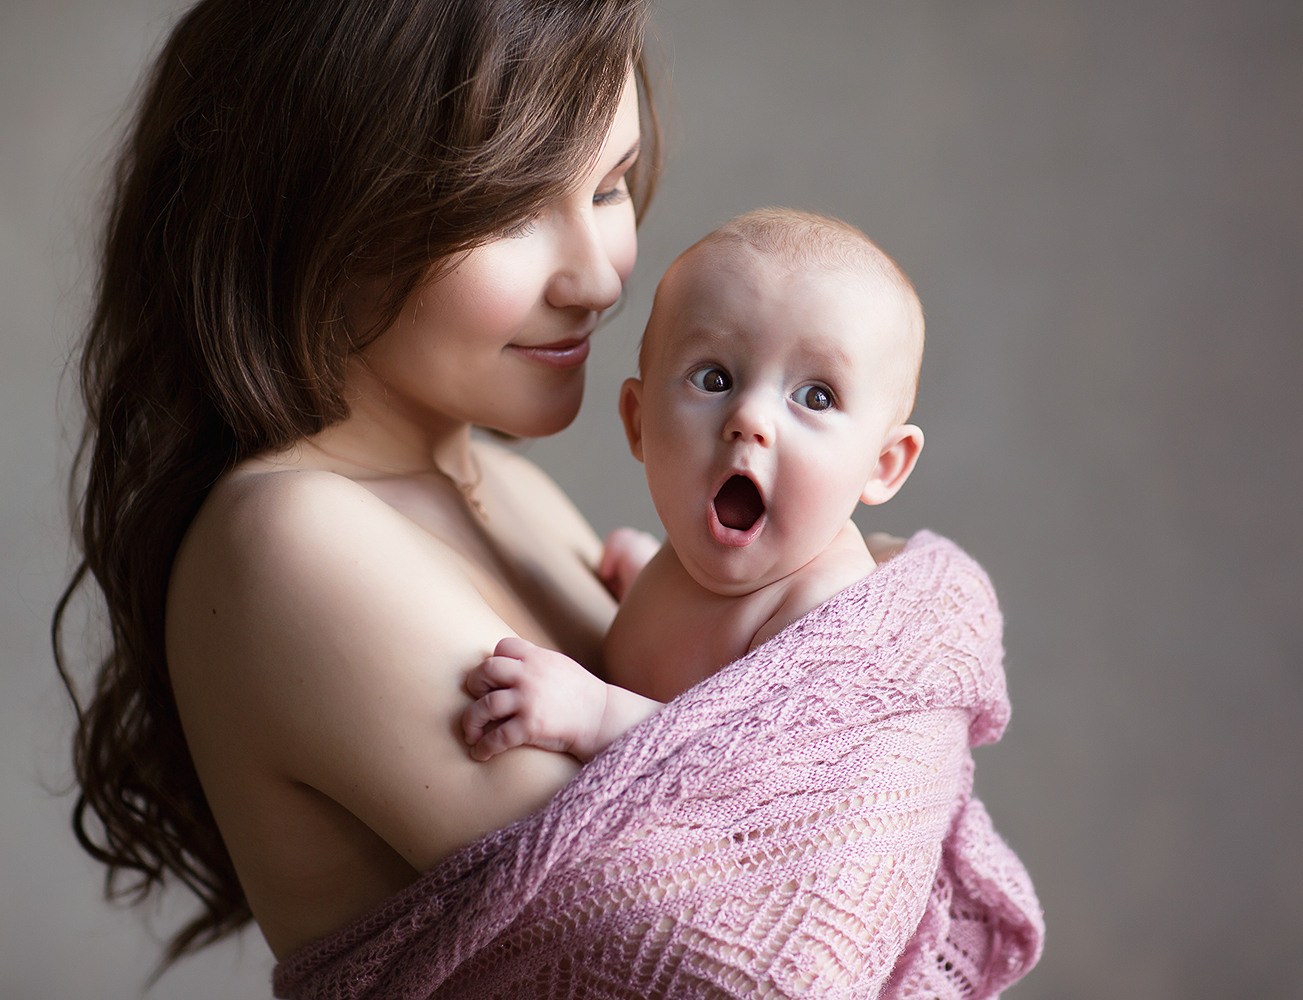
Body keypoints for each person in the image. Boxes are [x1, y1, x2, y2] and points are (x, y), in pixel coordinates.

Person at [53, 0, 665, 966]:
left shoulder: (512, 493)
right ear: (316, 212)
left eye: (610, 185)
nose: (597, 280)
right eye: (510, 207)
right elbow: (716, 933)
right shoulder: (291, 540)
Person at [461, 208, 926, 763]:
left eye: (816, 397)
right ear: (639, 423)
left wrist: (594, 713)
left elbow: (744, 768)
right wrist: (645, 580)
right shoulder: (692, 564)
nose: (750, 416)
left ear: (883, 464)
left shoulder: (823, 616)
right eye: (715, 379)